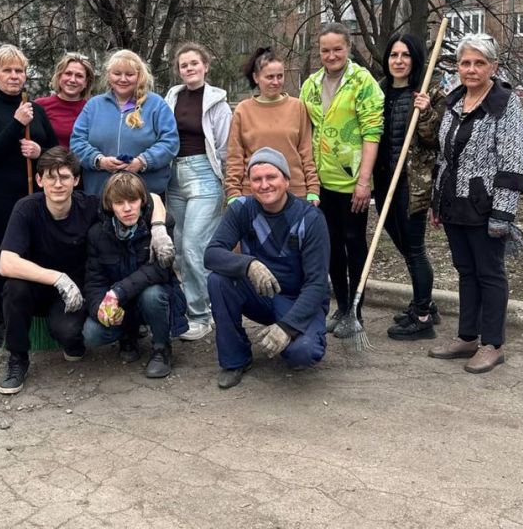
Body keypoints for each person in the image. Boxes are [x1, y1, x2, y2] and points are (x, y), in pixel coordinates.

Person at [0, 148, 176, 395]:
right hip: (39, 287)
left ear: (76, 180)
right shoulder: (26, 209)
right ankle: (17, 359)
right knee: (14, 288)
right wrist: (58, 278)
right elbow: (6, 262)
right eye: (51, 177)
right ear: (40, 181)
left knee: (72, 335)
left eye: (65, 177)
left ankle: (83, 340)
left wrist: (158, 228)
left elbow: (149, 197)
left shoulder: (90, 206)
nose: (58, 184)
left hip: (78, 292)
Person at [428, 34, 523, 374]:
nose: (471, 70)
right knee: (466, 271)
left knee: (490, 274)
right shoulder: (455, 101)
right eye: (465, 63)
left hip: (485, 205)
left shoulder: (504, 103)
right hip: (455, 204)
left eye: (479, 63)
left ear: (493, 66)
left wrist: (503, 213)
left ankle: (493, 344)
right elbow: (444, 156)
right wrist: (436, 201)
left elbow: (514, 160)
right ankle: (467, 336)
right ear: (457, 67)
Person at [205, 148, 331, 390]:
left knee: (302, 354)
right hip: (261, 296)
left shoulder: (310, 218)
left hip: (298, 299)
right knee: (218, 280)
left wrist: (287, 326)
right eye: (257, 179)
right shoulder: (241, 209)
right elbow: (211, 254)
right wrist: (249, 264)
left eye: (271, 177)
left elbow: (317, 284)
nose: (264, 185)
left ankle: (302, 334)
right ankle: (235, 360)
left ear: (286, 180)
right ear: (250, 184)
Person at [0, 44, 58, 345]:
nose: (14, 76)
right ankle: (4, 323)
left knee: (37, 253)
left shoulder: (37, 109)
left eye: (19, 70)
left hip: (35, 196)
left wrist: (39, 151)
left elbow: (56, 152)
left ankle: (37, 316)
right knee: (4, 258)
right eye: (7, 70)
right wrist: (16, 125)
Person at [299, 23, 383, 340]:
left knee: (354, 241)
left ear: (348, 47)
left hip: (352, 181)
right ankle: (342, 305)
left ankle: (356, 311)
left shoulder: (363, 83)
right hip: (320, 181)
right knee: (330, 245)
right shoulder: (310, 84)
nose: (331, 55)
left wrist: (364, 182)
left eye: (337, 49)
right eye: (325, 50)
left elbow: (372, 133)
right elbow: (305, 130)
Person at [373, 33, 446, 340]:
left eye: (405, 55)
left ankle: (423, 317)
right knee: (401, 244)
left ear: (414, 59)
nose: (399, 61)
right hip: (383, 181)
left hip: (412, 183)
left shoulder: (429, 92)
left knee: (414, 250)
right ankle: (423, 299)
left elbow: (436, 140)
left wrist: (427, 111)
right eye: (393, 55)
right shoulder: (379, 91)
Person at [82, 172, 188, 379]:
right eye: (119, 202)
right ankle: (127, 335)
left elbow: (160, 269)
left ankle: (161, 348)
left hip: (152, 296)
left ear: (142, 201)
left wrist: (118, 292)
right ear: (110, 205)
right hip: (121, 303)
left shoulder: (160, 226)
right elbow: (94, 280)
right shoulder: (97, 234)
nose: (127, 208)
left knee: (152, 294)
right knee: (91, 334)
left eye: (133, 200)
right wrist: (100, 309)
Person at [164, 42, 232, 342]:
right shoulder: (172, 98)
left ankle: (207, 315)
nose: (189, 69)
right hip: (174, 177)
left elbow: (225, 147)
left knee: (195, 246)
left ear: (205, 66)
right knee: (179, 248)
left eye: (194, 63)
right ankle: (194, 310)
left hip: (205, 175)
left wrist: (226, 182)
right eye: (183, 65)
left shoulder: (217, 102)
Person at [70, 49, 180, 197]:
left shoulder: (156, 105)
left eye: (129, 74)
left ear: (139, 76)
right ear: (109, 76)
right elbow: (77, 142)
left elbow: (170, 142)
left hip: (145, 193)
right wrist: (99, 160)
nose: (123, 79)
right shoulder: (93, 105)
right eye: (117, 74)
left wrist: (142, 162)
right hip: (100, 193)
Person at [225, 47, 319, 203]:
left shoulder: (298, 107)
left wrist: (313, 188)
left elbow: (307, 152)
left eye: (280, 76)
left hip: (295, 192)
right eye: (269, 77)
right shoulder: (243, 110)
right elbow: (235, 156)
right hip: (254, 192)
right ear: (256, 78)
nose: (276, 82)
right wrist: (233, 192)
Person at [35, 53, 96, 149]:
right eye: (68, 73)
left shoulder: (93, 109)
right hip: (48, 162)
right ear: (59, 76)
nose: (72, 80)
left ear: (86, 82)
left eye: (79, 76)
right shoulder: (39, 106)